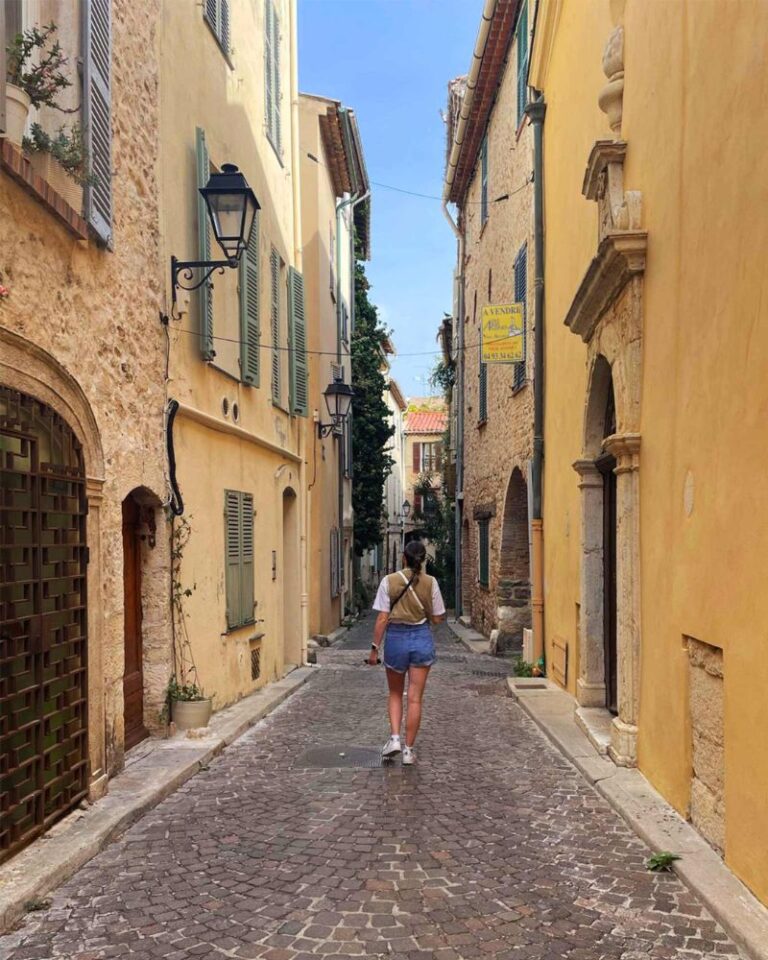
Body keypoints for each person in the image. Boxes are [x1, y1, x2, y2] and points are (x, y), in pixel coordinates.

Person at [368, 540, 446, 765]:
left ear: (404, 557)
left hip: (396, 639)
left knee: (395, 693)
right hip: (421, 638)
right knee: (415, 698)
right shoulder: (431, 583)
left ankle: (394, 739)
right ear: (423, 560)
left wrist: (374, 649)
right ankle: (409, 751)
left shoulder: (388, 581)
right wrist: (427, 613)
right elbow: (439, 617)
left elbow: (382, 618)